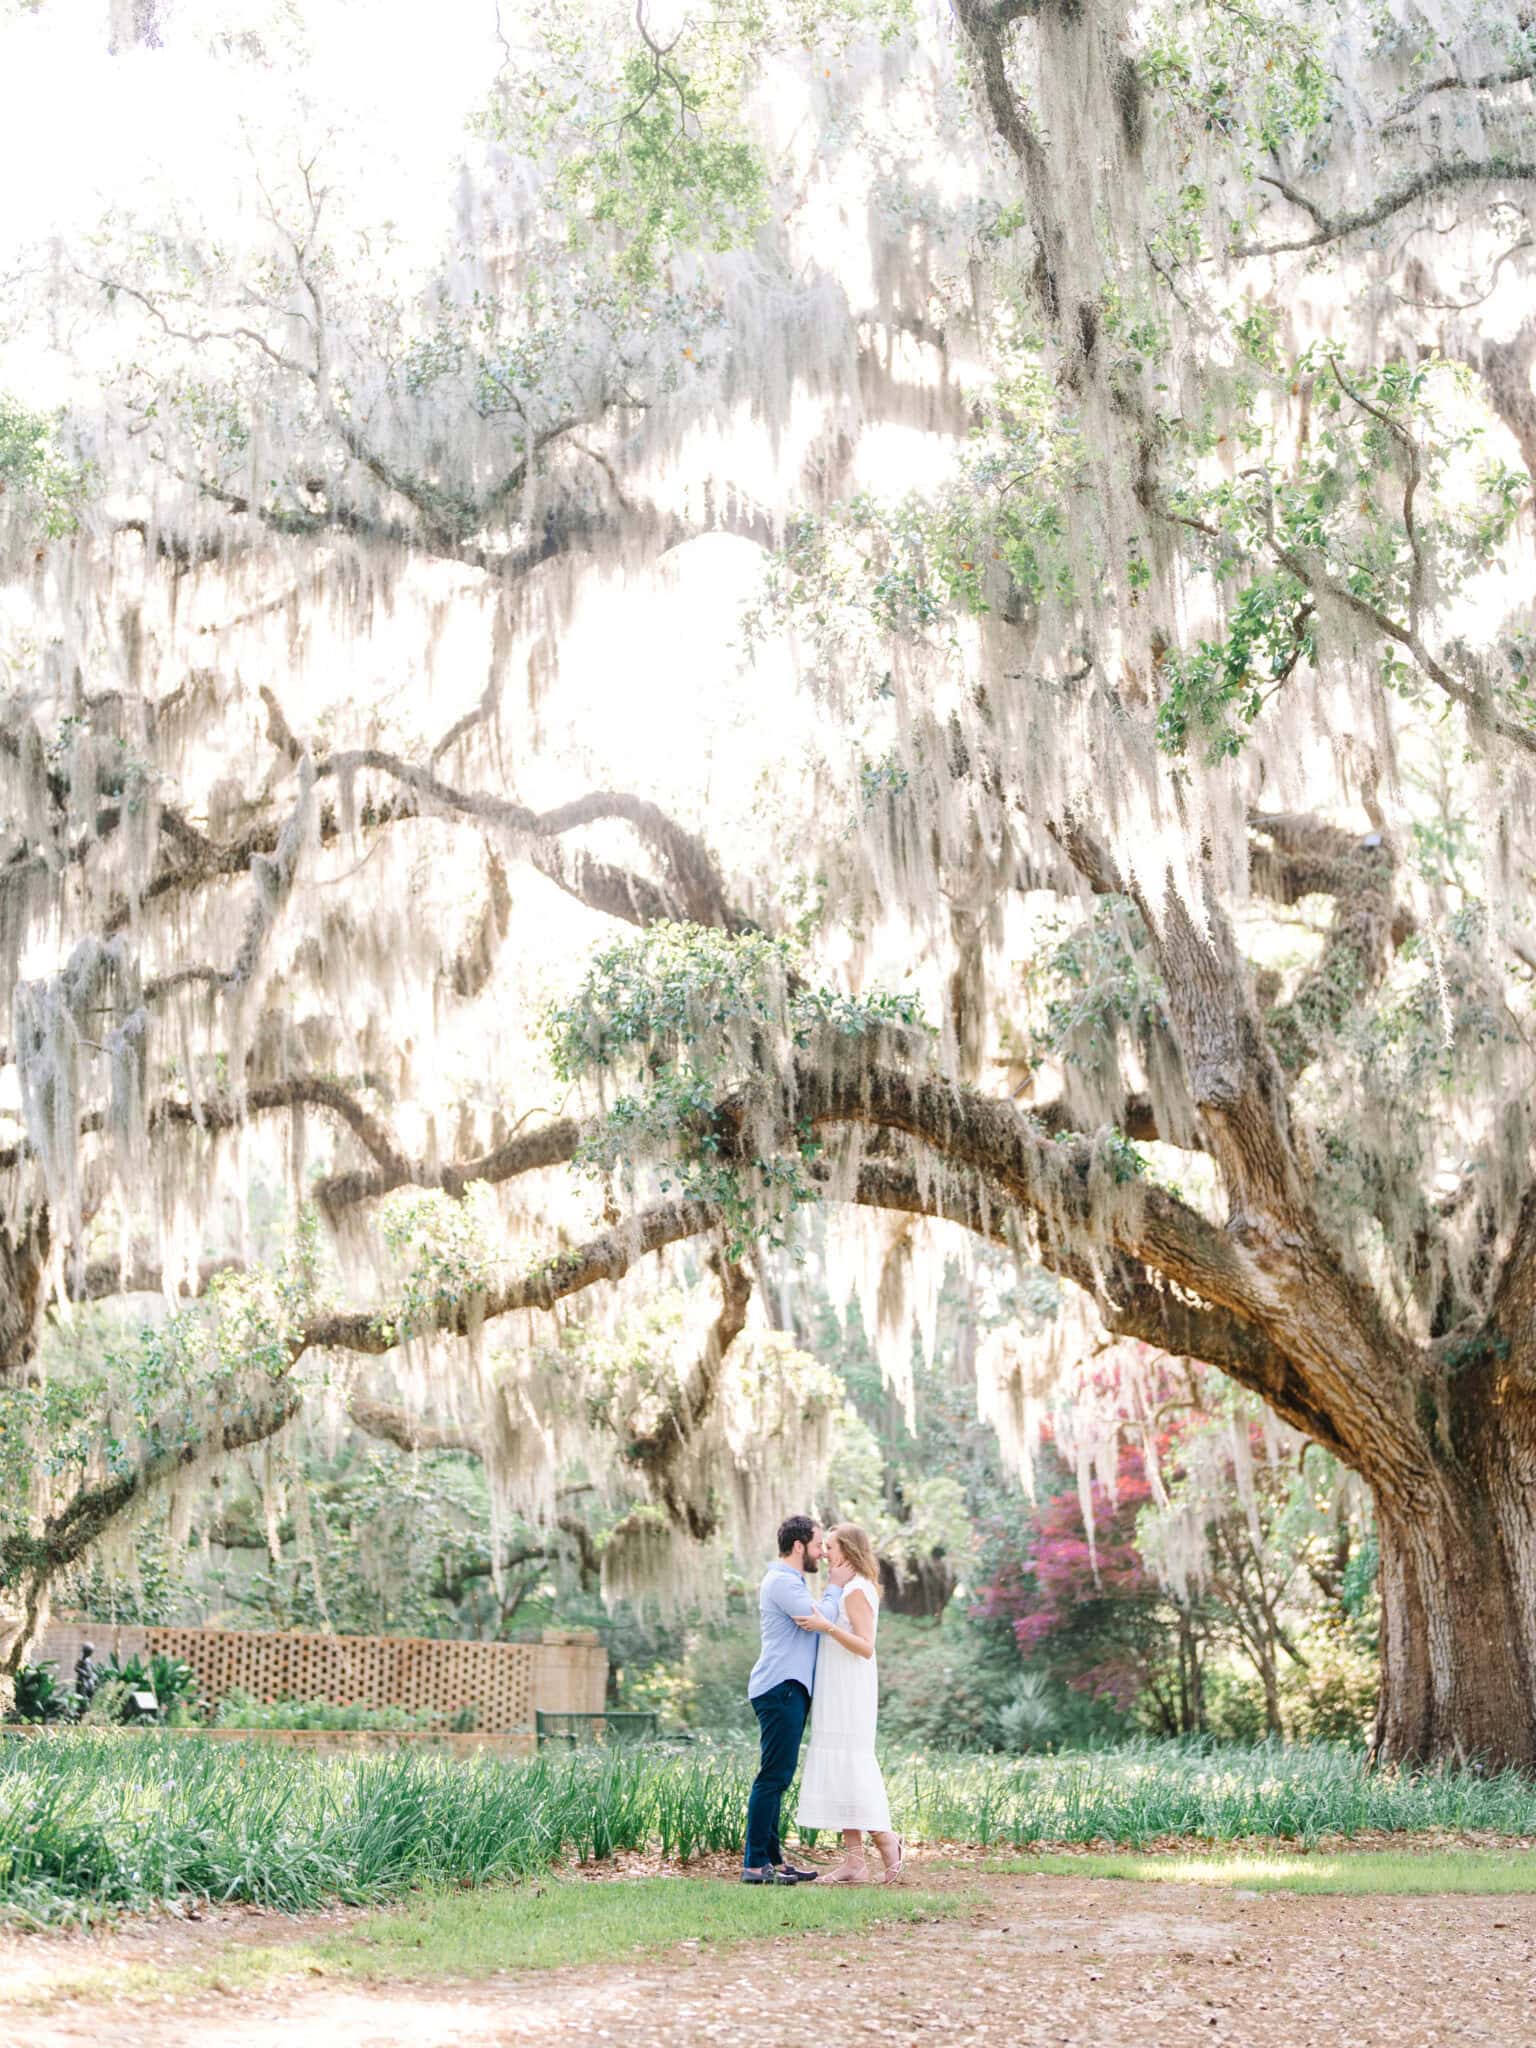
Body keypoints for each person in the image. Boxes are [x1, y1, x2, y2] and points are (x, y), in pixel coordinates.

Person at [791, 1521, 902, 1883]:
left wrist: (828, 1627)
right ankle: (854, 1861)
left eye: (830, 1547)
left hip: (850, 1688)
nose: (823, 1553)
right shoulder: (846, 1588)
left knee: (851, 1763)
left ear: (849, 1552)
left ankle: (886, 1838)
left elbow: (866, 1647)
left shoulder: (856, 1591)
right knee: (839, 1765)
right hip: (833, 1684)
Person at [741, 1513, 840, 1886]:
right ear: (799, 1546)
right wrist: (835, 1587)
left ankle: (773, 1861)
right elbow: (817, 1617)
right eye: (818, 1546)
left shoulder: (791, 1581)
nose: (822, 1554)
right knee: (773, 1777)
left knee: (777, 1778)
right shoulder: (782, 1582)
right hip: (780, 1687)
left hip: (788, 1688)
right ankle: (753, 1864)